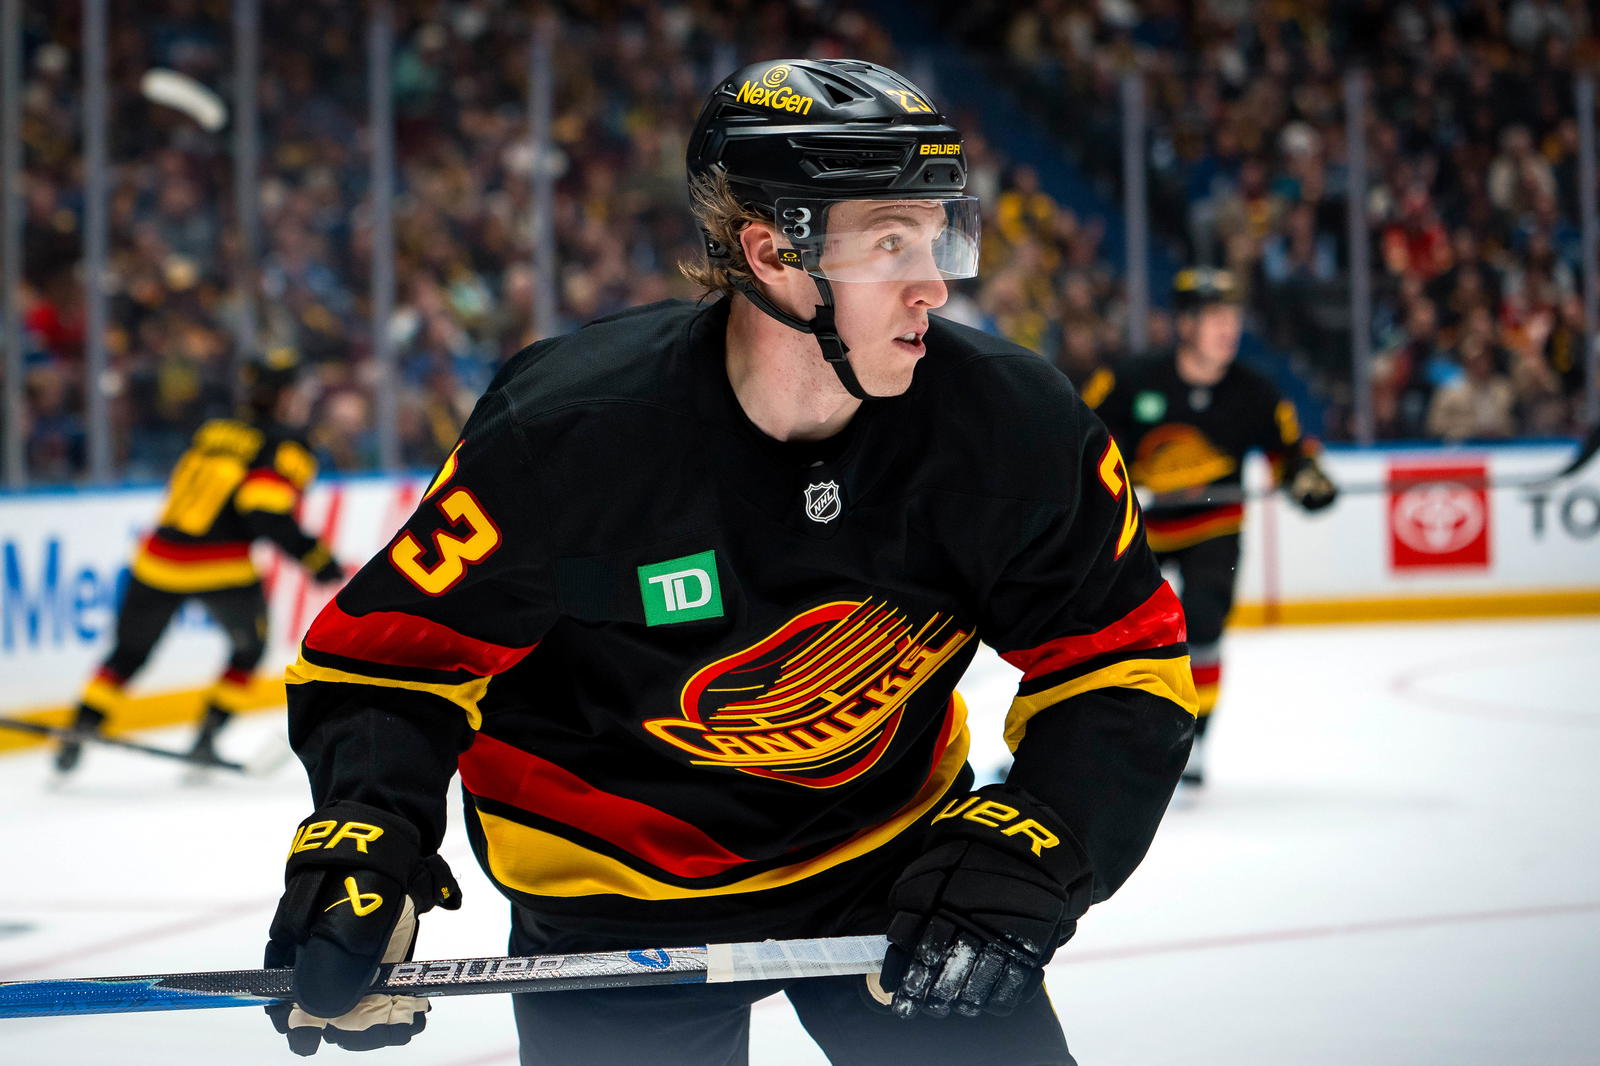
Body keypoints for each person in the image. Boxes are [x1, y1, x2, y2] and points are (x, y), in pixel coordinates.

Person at [264, 60, 1196, 1066]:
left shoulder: (1012, 428)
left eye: (936, 236)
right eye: (891, 242)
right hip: (611, 895)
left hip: (886, 864)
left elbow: (1120, 668)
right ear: (773, 251)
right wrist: (367, 836)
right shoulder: (569, 437)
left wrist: (1037, 844)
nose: (934, 282)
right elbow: (390, 663)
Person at [1084, 267, 1337, 791]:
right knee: (1115, 628)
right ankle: (1100, 735)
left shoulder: (1255, 392)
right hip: (1142, 526)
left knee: (1204, 621)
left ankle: (1194, 737)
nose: (1229, 329)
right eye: (1215, 317)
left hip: (1214, 526)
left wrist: (1308, 480)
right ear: (1185, 325)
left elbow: (1289, 455)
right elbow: (1085, 440)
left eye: (1233, 317)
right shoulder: (1132, 381)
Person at [54, 347, 345, 773]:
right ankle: (207, 736)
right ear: (284, 396)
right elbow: (262, 509)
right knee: (249, 650)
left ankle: (80, 726)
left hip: (157, 557)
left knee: (128, 653)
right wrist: (316, 557)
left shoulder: (214, 430)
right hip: (219, 566)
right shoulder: (286, 443)